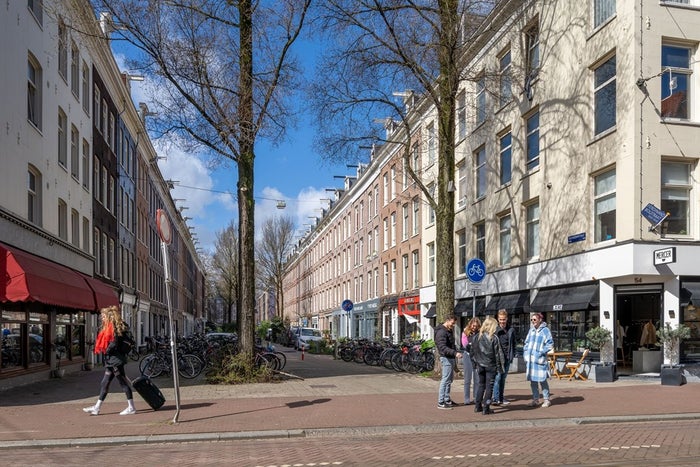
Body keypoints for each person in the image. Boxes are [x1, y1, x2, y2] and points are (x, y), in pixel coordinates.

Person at [83, 306, 136, 416]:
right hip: (112, 361)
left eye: (103, 316)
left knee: (123, 383)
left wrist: (107, 350)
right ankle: (97, 408)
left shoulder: (115, 328)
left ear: (109, 317)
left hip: (116, 361)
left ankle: (131, 407)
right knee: (105, 383)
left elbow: (114, 343)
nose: (101, 318)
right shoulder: (110, 327)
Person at [470, 316, 505, 415]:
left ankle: (477, 406)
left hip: (480, 365)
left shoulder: (476, 337)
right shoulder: (494, 338)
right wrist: (500, 368)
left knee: (481, 385)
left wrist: (475, 364)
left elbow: (472, 352)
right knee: (489, 386)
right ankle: (486, 407)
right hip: (490, 365)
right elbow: (498, 354)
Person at [523, 312, 554, 408]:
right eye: (531, 320)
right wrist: (526, 353)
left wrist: (541, 352)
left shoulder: (545, 331)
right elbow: (526, 342)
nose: (533, 322)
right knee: (533, 381)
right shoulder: (531, 330)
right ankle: (536, 399)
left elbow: (550, 343)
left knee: (542, 380)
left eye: (534, 320)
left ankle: (546, 399)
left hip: (540, 360)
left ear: (540, 320)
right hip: (531, 361)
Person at [435, 313, 462, 409]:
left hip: (450, 357)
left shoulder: (448, 330)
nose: (453, 325)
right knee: (445, 379)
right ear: (448, 320)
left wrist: (455, 352)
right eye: (452, 323)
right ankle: (441, 401)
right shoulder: (441, 332)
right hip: (446, 358)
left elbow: (450, 344)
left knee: (449, 380)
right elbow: (442, 347)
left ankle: (447, 399)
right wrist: (454, 353)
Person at [492, 309, 516, 406]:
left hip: (507, 358)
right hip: (498, 358)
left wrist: (512, 355)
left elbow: (514, 343)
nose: (502, 321)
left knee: (503, 378)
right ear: (498, 319)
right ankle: (495, 398)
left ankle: (501, 398)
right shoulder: (495, 330)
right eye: (500, 319)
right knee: (497, 378)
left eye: (504, 319)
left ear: (507, 319)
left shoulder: (511, 330)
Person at [461, 317, 481, 405]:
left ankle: (476, 397)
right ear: (470, 325)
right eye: (473, 326)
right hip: (468, 355)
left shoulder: (480, 333)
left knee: (477, 378)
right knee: (467, 378)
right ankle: (466, 398)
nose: (474, 328)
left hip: (477, 356)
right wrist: (471, 346)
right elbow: (465, 345)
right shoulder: (465, 333)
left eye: (476, 326)